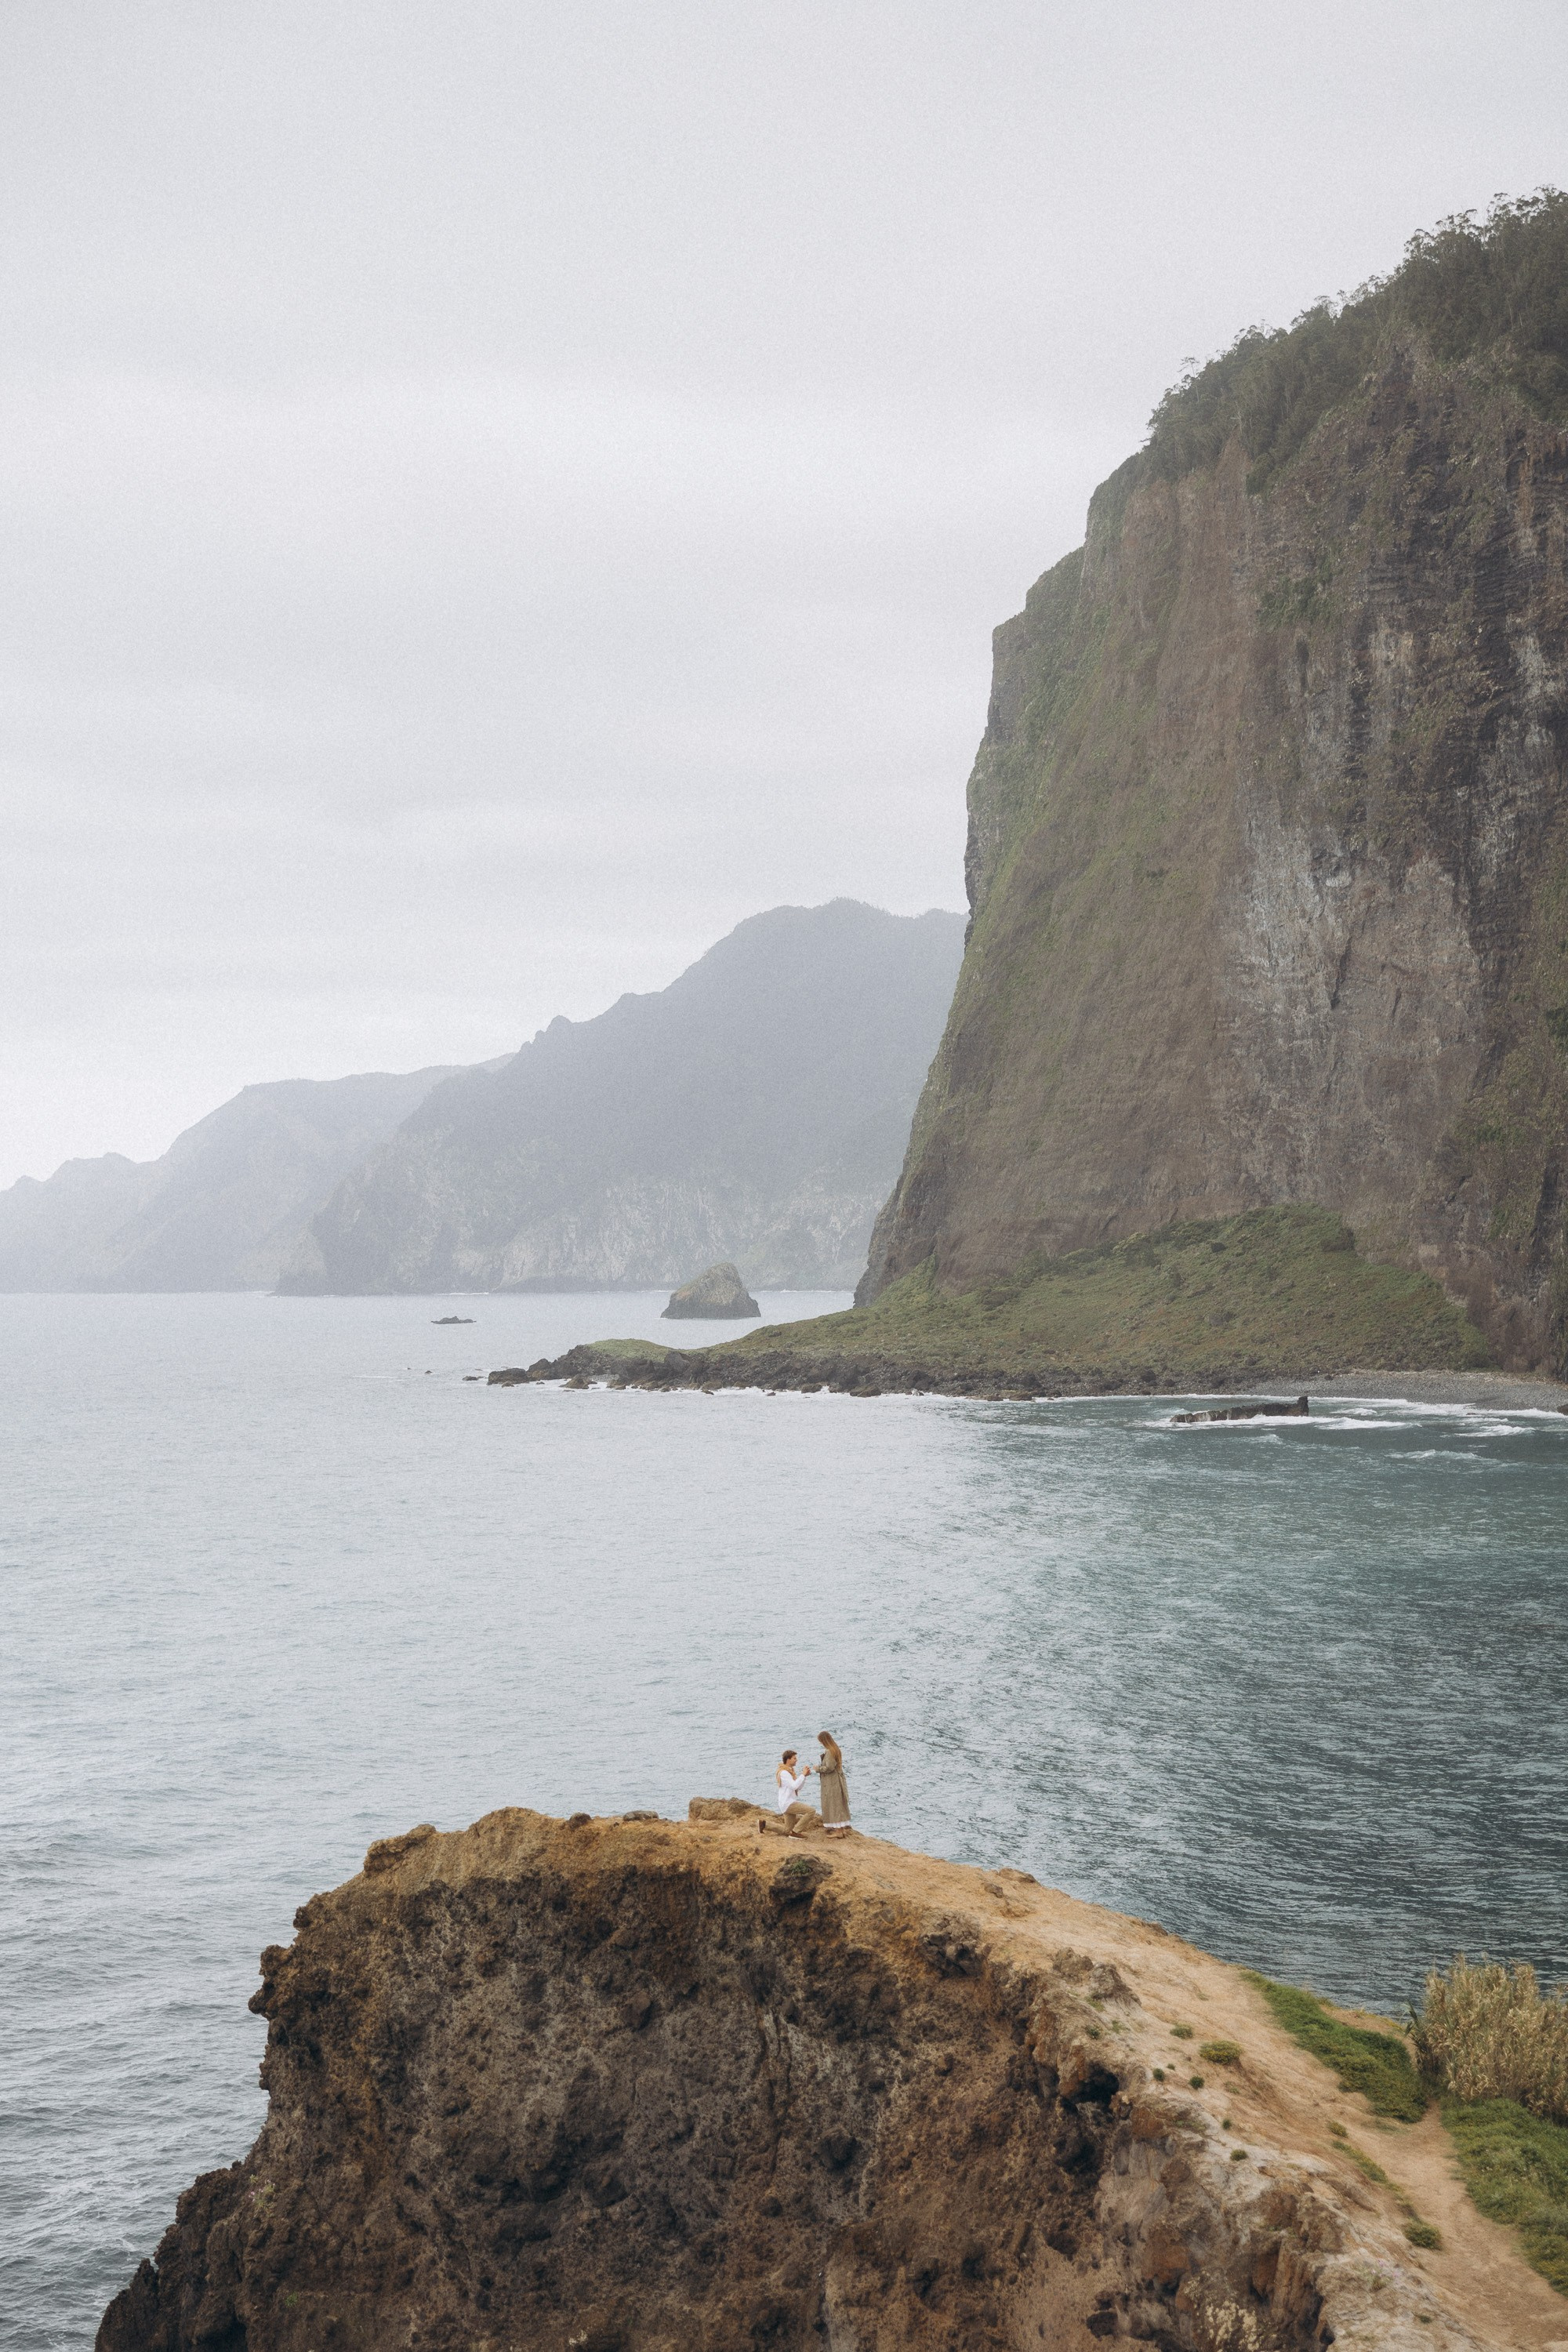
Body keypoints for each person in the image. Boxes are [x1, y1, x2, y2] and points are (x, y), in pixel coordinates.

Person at [758, 1748, 816, 1836]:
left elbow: (798, 1787)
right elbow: (794, 1786)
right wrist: (803, 1775)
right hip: (788, 1803)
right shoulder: (784, 1773)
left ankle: (764, 1824)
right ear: (788, 1760)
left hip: (786, 1803)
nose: (796, 1760)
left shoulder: (789, 1771)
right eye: (794, 1758)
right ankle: (796, 1832)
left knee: (787, 1831)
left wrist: (804, 1777)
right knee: (811, 1811)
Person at [816, 1732, 851, 1835]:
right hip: (837, 1780)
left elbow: (829, 1768)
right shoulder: (835, 1749)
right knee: (838, 1804)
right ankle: (841, 1829)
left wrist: (818, 1768)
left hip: (832, 1782)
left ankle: (839, 1831)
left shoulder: (830, 1751)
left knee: (834, 1804)